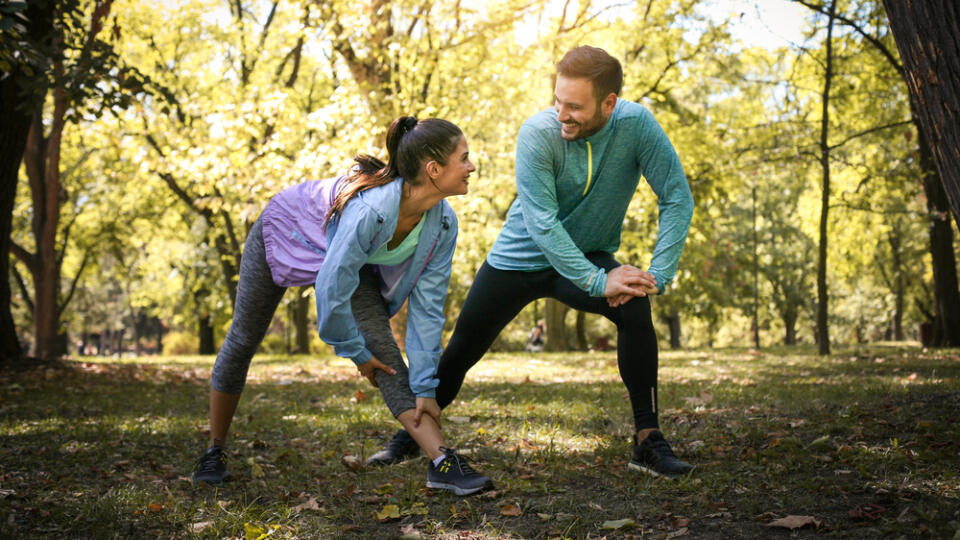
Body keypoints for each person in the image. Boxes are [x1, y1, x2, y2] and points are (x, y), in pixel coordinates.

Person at [367, 46, 695, 478]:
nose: (562, 114)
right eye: (558, 101)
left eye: (575, 106)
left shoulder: (636, 127)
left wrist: (657, 274)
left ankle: (648, 441)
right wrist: (598, 282)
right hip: (519, 259)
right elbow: (542, 224)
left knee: (635, 306)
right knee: (464, 347)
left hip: (585, 254)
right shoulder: (537, 133)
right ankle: (412, 435)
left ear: (609, 103)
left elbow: (676, 197)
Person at [192, 116, 493, 496]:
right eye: (464, 158)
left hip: (350, 259)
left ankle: (443, 463)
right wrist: (355, 352)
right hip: (283, 231)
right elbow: (330, 287)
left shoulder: (443, 223)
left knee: (383, 352)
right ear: (434, 170)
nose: (472, 166)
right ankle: (213, 450)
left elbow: (428, 308)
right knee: (243, 338)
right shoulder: (371, 211)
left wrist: (425, 386)